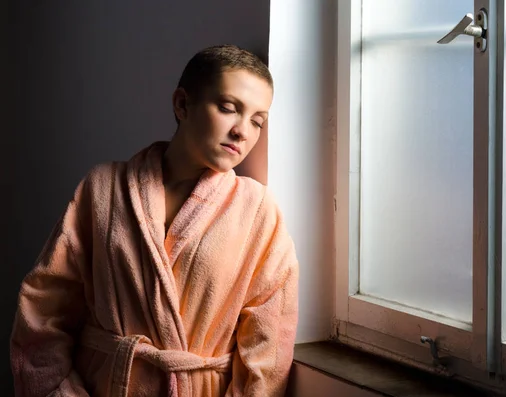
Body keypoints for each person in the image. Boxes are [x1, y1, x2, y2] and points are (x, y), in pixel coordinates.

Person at [10, 44, 299, 397]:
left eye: (257, 121)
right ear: (182, 104)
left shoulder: (257, 210)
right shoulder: (103, 188)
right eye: (228, 108)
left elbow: (268, 345)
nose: (243, 131)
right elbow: (44, 308)